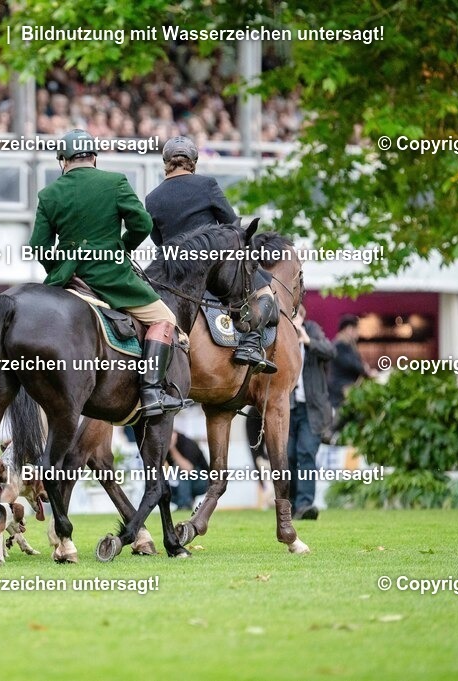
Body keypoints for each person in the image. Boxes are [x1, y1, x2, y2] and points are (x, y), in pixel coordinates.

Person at [28, 129, 190, 417]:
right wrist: (121, 250)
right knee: (166, 319)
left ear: (63, 161)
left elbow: (38, 245)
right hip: (112, 278)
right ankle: (152, 391)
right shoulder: (114, 182)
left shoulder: (49, 193)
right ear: (93, 157)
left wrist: (60, 268)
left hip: (68, 280)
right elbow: (142, 224)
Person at [145, 136, 279, 374]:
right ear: (193, 162)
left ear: (166, 162)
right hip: (214, 268)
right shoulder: (207, 185)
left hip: (173, 274)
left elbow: (158, 241)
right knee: (265, 291)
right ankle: (250, 344)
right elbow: (233, 225)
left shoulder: (152, 197)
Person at [287, 304, 336, 520]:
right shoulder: (282, 338)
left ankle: (304, 505)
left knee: (306, 453)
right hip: (287, 409)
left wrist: (307, 340)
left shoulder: (313, 330)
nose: (293, 319)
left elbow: (330, 351)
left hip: (312, 410)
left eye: (296, 315)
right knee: (287, 456)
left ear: (303, 317)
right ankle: (290, 505)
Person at [328, 314, 374, 411]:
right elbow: (353, 365)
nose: (358, 333)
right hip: (340, 394)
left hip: (347, 391)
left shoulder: (348, 345)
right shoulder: (339, 346)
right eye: (357, 329)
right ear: (349, 329)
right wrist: (366, 370)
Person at [166, 430, 210, 511]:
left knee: (183, 472)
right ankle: (185, 502)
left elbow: (188, 469)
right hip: (184, 485)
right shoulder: (165, 447)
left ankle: (184, 505)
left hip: (202, 482)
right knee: (160, 489)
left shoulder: (188, 444)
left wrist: (172, 448)